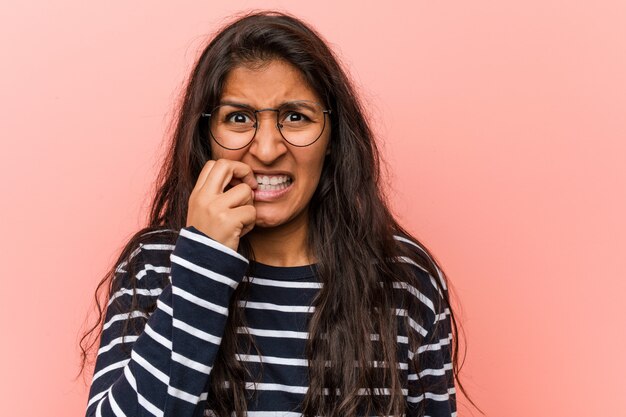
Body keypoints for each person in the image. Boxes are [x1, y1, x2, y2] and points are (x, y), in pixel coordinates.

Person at [79, 9, 471, 417]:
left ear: (333, 137)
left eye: (295, 117)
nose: (267, 150)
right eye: (239, 118)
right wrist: (203, 261)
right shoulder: (157, 267)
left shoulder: (405, 281)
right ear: (206, 137)